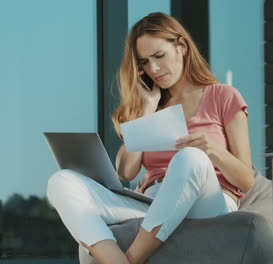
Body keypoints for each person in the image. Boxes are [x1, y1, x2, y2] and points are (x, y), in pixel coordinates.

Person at [47, 12, 254, 264]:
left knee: (191, 158)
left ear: (181, 47)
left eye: (159, 56)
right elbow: (126, 171)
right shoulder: (148, 105)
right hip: (154, 202)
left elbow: (246, 181)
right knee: (61, 181)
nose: (153, 69)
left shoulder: (224, 96)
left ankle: (132, 259)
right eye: (144, 62)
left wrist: (212, 151)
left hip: (207, 202)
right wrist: (146, 109)